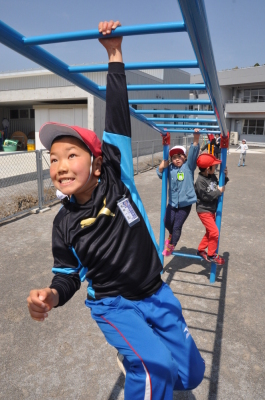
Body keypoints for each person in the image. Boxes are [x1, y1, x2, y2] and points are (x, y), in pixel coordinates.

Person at [27, 20, 205, 399]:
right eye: (54, 159)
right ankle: (139, 360)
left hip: (156, 291)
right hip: (113, 305)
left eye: (71, 155)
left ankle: (136, 358)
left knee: (190, 375)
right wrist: (51, 296)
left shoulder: (115, 175)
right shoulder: (63, 224)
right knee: (154, 368)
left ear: (95, 163)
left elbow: (117, 116)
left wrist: (114, 55)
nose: (60, 165)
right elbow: (66, 275)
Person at [157, 130, 200, 256]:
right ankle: (171, 236)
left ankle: (171, 246)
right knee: (166, 222)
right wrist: (161, 167)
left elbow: (193, 153)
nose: (177, 159)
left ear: (185, 157)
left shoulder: (189, 166)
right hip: (172, 202)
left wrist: (196, 139)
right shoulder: (169, 168)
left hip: (185, 204)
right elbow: (161, 175)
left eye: (180, 156)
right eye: (174, 157)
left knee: (177, 226)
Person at [195, 154, 229, 265]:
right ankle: (212, 254)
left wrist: (225, 177)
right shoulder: (200, 181)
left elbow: (219, 185)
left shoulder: (212, 176)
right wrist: (219, 191)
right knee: (214, 232)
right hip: (203, 210)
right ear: (207, 169)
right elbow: (206, 196)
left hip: (211, 210)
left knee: (210, 232)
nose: (216, 168)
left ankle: (200, 250)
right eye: (214, 166)